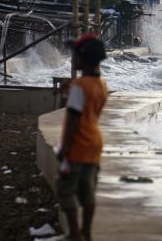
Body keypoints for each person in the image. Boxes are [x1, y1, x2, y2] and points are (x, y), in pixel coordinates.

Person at [57, 33, 108, 241]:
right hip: (94, 143)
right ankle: (86, 231)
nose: (73, 59)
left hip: (78, 144)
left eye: (76, 55)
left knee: (66, 189)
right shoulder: (101, 84)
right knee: (88, 193)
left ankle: (75, 234)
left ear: (84, 58)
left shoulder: (80, 85)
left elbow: (75, 119)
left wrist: (64, 148)